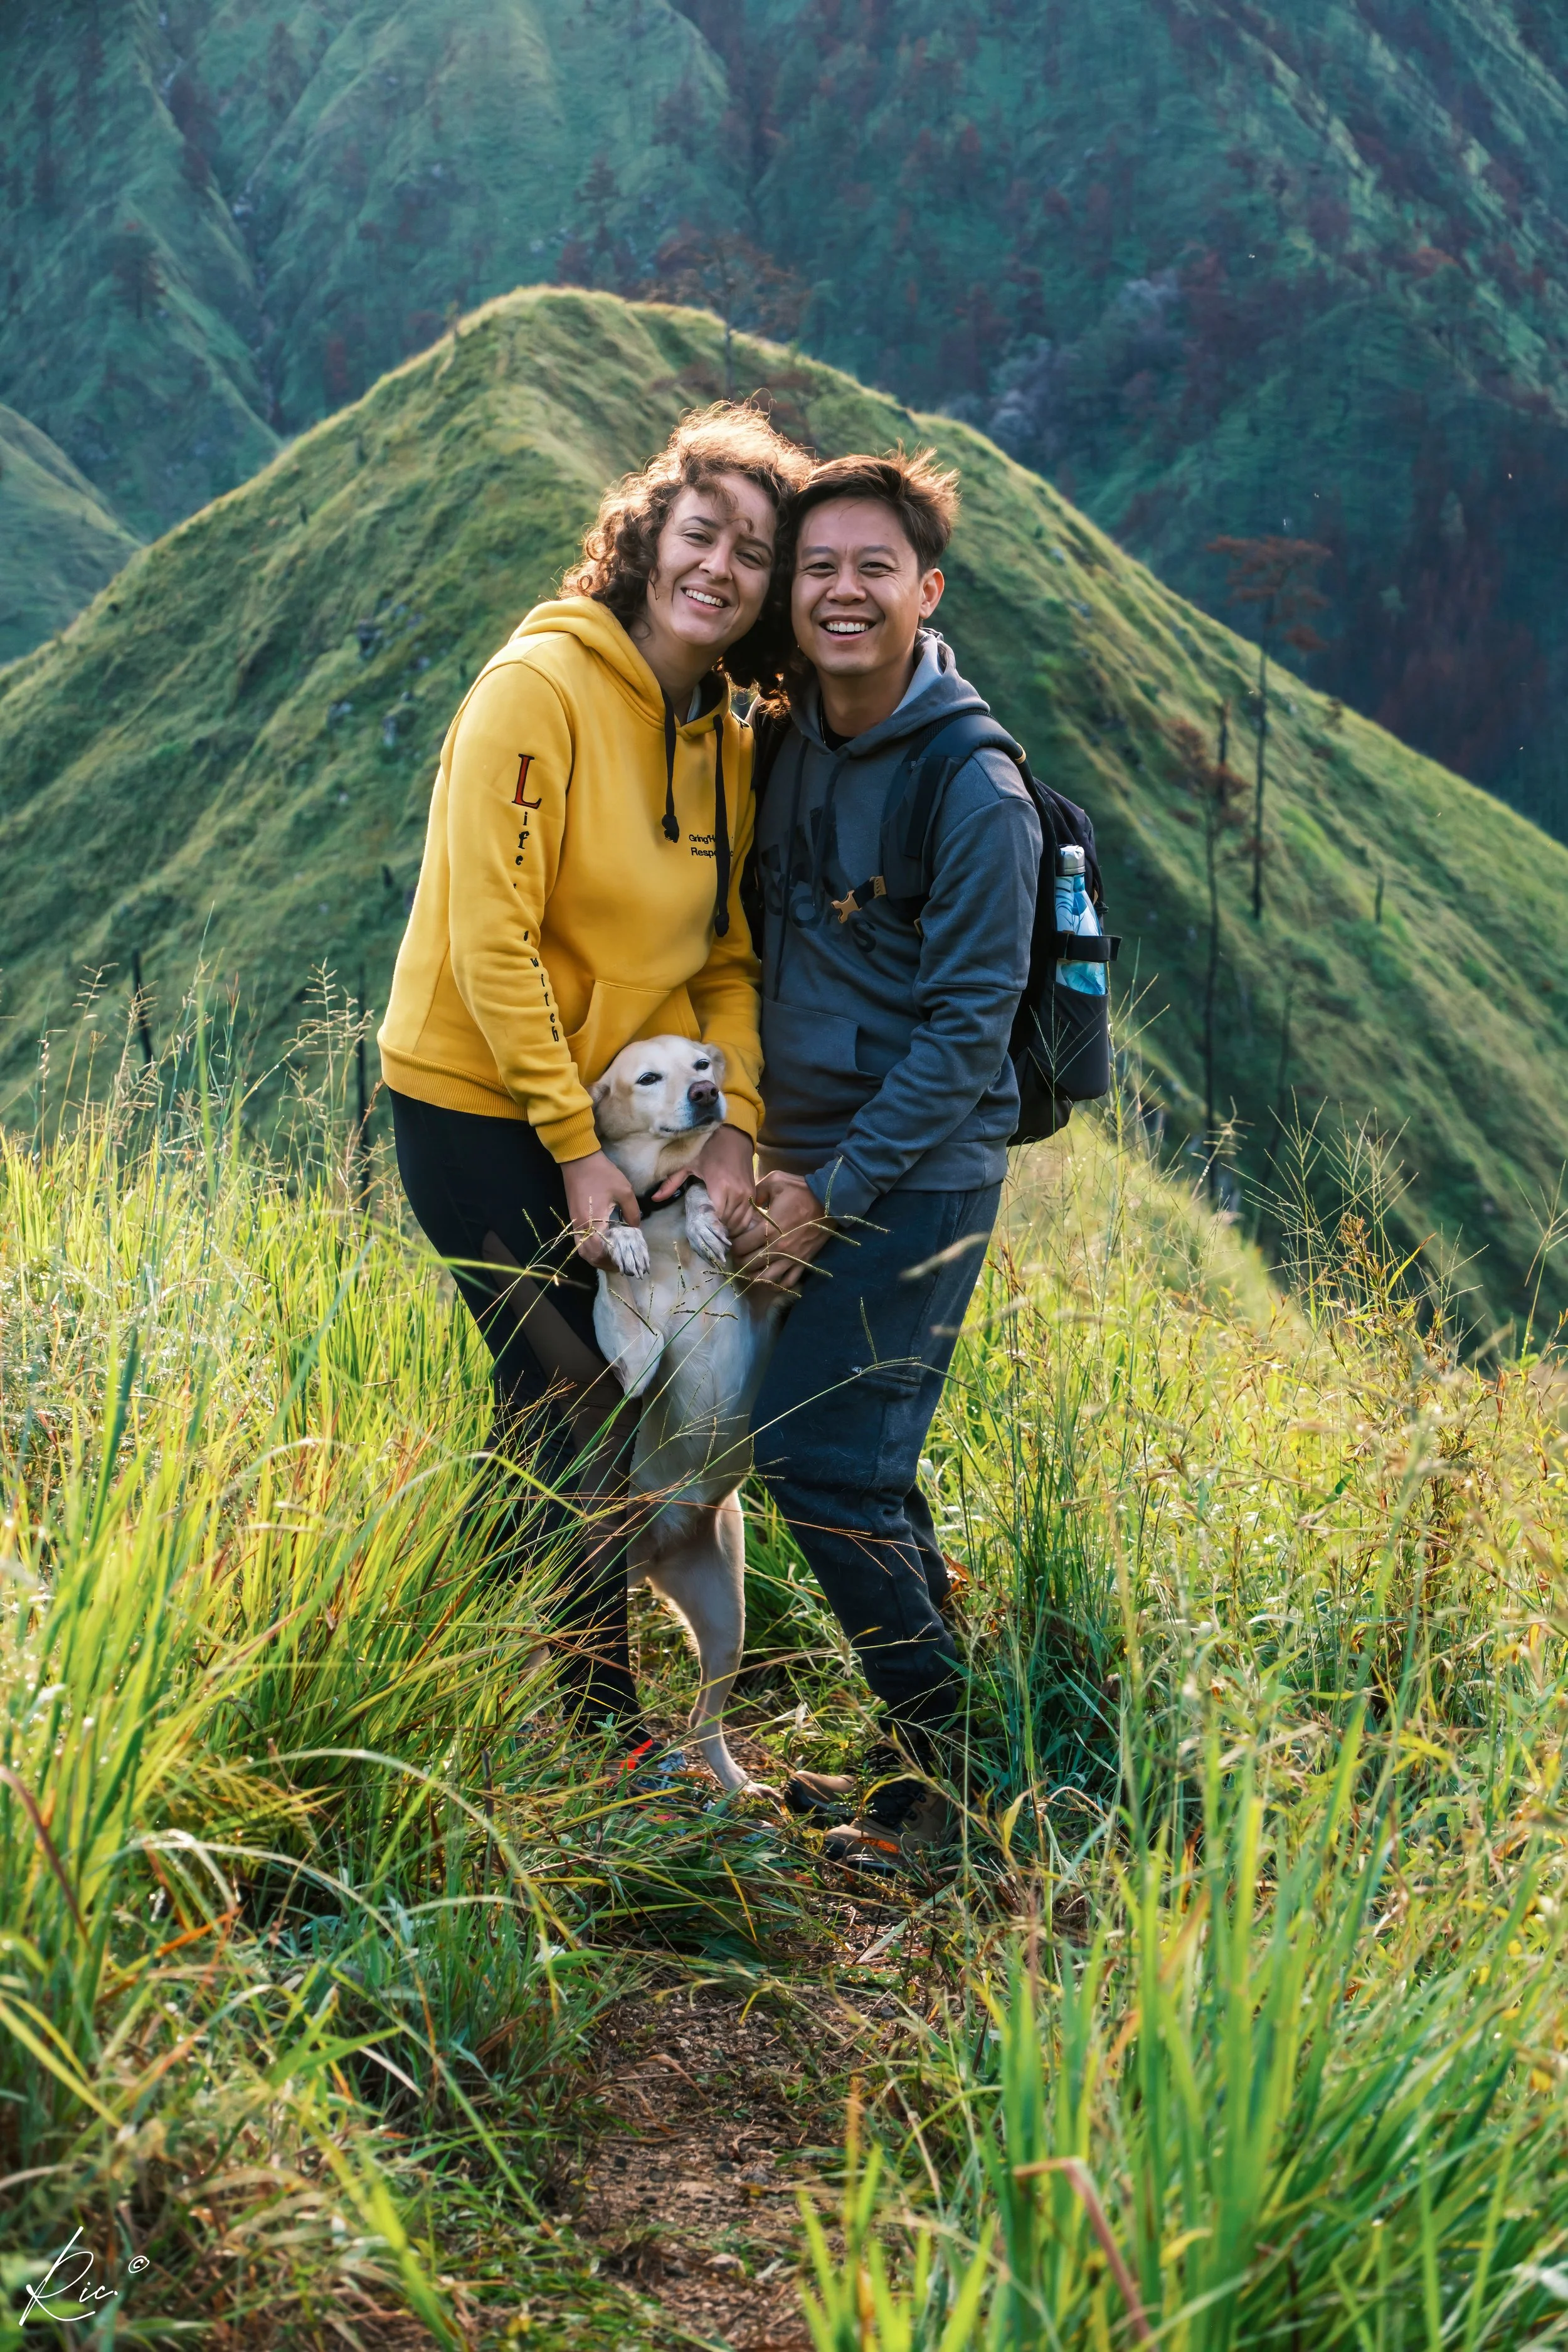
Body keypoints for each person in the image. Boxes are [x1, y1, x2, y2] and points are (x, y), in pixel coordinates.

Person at [378, 405, 807, 1766]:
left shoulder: (726, 742)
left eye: (753, 552)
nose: (720, 567)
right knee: (573, 1392)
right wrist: (571, 1149)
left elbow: (725, 958)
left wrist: (734, 1128)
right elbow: (487, 935)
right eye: (701, 533)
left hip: (622, 1130)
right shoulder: (539, 688)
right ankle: (596, 1731)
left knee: (572, 1404)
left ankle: (433, 1664)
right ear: (646, 537)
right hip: (473, 1106)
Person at [743, 450, 1042, 1868]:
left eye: (874, 567)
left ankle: (961, 1807)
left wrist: (830, 1195)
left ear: (927, 591)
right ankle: (939, 1765)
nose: (842, 592)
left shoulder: (972, 787)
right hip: (797, 1166)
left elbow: (969, 1031)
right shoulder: (784, 735)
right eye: (818, 568)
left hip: (911, 1177)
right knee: (860, 1465)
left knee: (817, 1461)